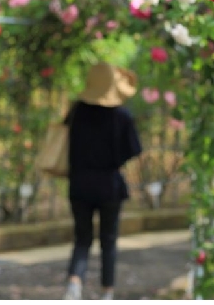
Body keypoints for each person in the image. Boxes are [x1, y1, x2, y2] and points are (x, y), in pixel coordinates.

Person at [63, 61, 143, 300]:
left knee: (82, 239)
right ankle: (107, 291)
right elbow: (133, 149)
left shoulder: (76, 111)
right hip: (109, 184)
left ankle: (74, 282)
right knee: (108, 241)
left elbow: (65, 141)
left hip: (79, 183)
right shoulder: (121, 115)